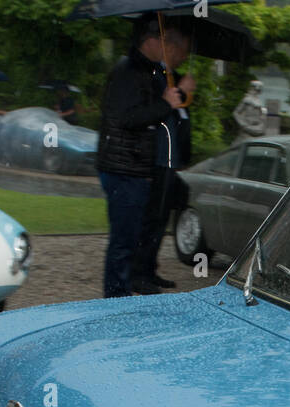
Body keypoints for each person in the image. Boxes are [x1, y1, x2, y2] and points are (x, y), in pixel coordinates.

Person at [96, 17, 192, 299]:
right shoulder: (128, 72)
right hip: (123, 166)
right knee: (124, 239)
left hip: (134, 166)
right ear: (150, 41)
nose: (168, 47)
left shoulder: (144, 71)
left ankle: (119, 293)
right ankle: (115, 298)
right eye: (165, 40)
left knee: (130, 234)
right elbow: (128, 118)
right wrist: (165, 103)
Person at [131, 20, 194, 293]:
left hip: (170, 160)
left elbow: (177, 114)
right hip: (156, 159)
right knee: (150, 218)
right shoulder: (154, 75)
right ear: (169, 47)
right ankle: (138, 273)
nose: (184, 57)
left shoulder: (171, 77)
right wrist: (181, 93)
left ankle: (149, 268)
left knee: (161, 219)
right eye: (181, 51)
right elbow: (157, 108)